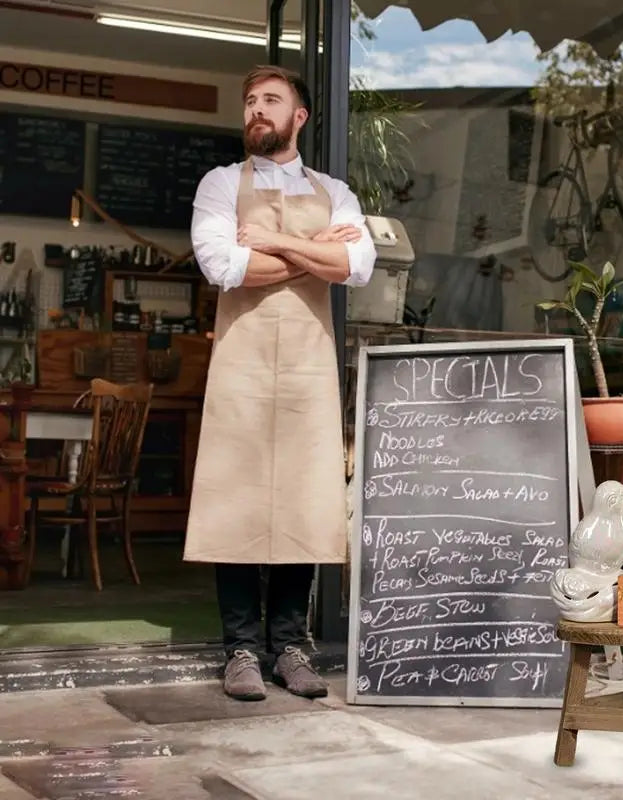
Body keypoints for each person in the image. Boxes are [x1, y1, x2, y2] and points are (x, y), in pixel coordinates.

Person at [184, 65, 376, 702]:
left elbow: (357, 266)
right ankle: (240, 647)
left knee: (302, 499)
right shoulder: (218, 185)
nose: (255, 111)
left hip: (307, 364)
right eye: (249, 102)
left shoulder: (337, 191)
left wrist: (269, 239)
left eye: (270, 101)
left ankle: (291, 646)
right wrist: (310, 248)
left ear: (300, 116)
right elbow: (224, 266)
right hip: (240, 363)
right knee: (236, 500)